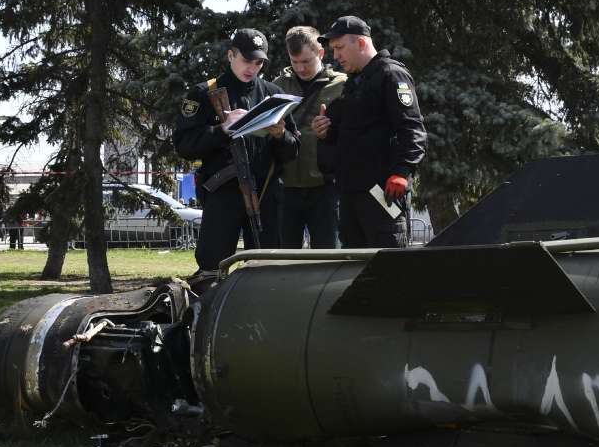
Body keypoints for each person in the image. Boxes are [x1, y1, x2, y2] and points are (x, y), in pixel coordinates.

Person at [174, 28, 300, 275]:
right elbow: (184, 145)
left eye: (259, 62)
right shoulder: (204, 93)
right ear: (230, 55)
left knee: (267, 270)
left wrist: (280, 135)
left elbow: (293, 150)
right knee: (212, 268)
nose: (252, 68)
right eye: (246, 60)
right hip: (224, 195)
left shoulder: (273, 94)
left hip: (265, 195)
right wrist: (222, 130)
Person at [311, 16, 426, 248]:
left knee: (388, 266)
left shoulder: (391, 74)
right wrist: (326, 132)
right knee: (353, 268)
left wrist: (402, 171)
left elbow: (412, 128)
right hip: (351, 193)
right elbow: (351, 133)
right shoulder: (354, 83)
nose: (336, 56)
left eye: (340, 48)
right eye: (333, 49)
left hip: (382, 193)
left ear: (361, 43)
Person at [272, 26, 347, 249]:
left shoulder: (342, 85)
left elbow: (355, 132)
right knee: (282, 258)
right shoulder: (277, 87)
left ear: (321, 54)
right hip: (286, 187)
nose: (301, 68)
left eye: (306, 61)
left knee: (328, 256)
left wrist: (333, 129)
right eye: (295, 62)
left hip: (326, 188)